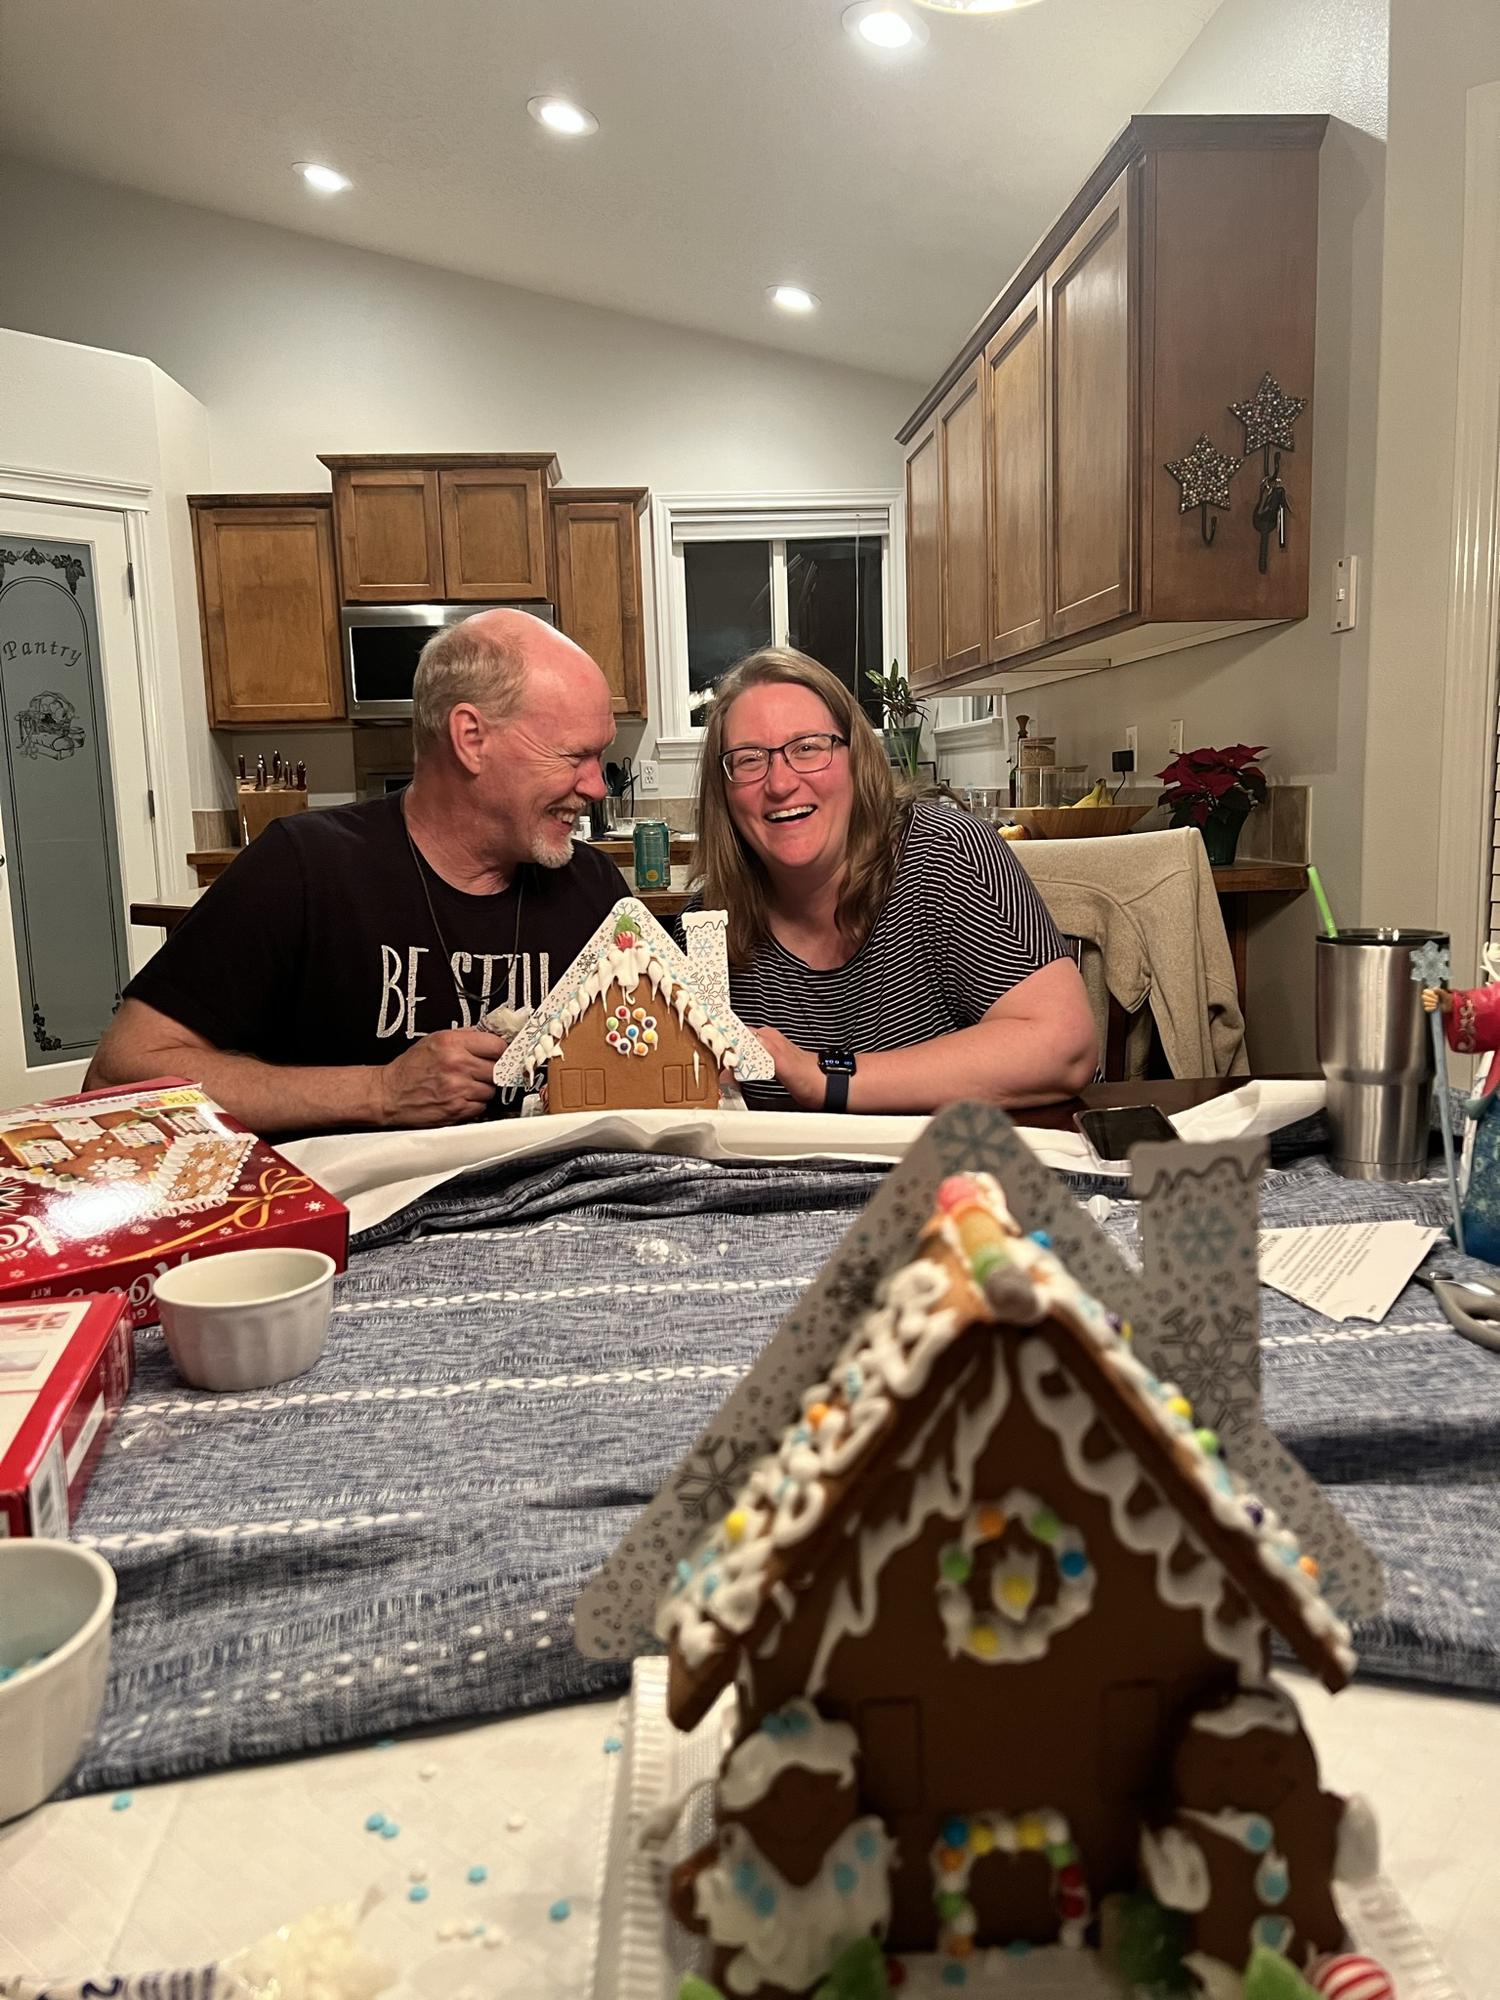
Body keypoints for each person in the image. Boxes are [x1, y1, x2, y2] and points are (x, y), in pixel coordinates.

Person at [87, 610, 624, 1135]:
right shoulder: (302, 867)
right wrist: (380, 1093)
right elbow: (117, 1075)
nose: (597, 787)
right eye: (575, 756)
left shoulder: (595, 888)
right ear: (471, 738)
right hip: (362, 1216)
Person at [691, 648, 1097, 1113]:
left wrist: (825, 1077)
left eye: (808, 748)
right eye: (748, 760)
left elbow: (1064, 1048)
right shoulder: (706, 928)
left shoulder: (948, 854)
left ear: (855, 759)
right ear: (722, 791)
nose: (780, 783)